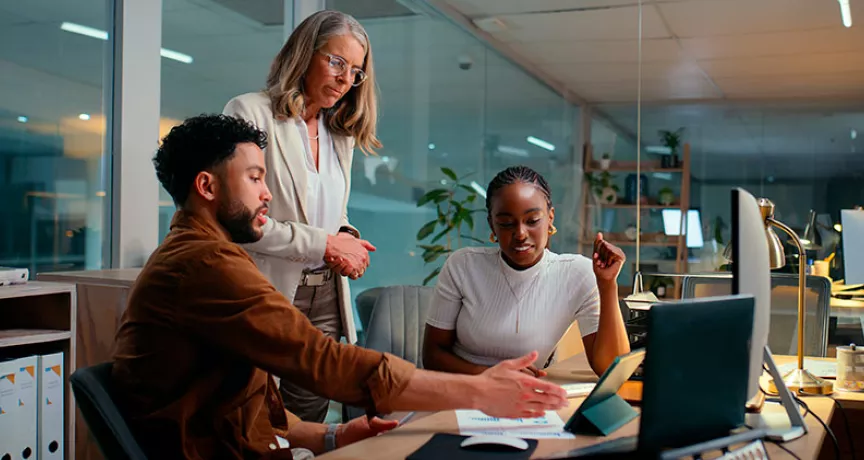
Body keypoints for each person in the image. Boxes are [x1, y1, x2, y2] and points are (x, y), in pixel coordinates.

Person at [111, 114, 567, 459]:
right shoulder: (203, 264)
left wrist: (330, 434)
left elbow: (241, 405)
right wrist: (480, 392)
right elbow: (321, 360)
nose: (267, 192)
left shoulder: (205, 255)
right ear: (207, 186)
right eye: (254, 177)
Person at [223, 10, 377, 423]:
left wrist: (345, 237)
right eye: (337, 62)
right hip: (268, 287)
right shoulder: (250, 113)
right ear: (305, 54)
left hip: (326, 292)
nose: (346, 79)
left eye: (356, 71)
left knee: (310, 415)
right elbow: (240, 221)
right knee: (259, 414)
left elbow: (331, 212)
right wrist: (326, 242)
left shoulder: (338, 133)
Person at [423, 166, 631, 378]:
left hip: (523, 398)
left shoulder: (577, 274)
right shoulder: (464, 265)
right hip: (460, 391)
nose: (520, 234)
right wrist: (490, 376)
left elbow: (611, 370)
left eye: (532, 221)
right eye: (506, 223)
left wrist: (607, 286)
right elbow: (432, 355)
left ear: (550, 218)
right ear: (492, 225)